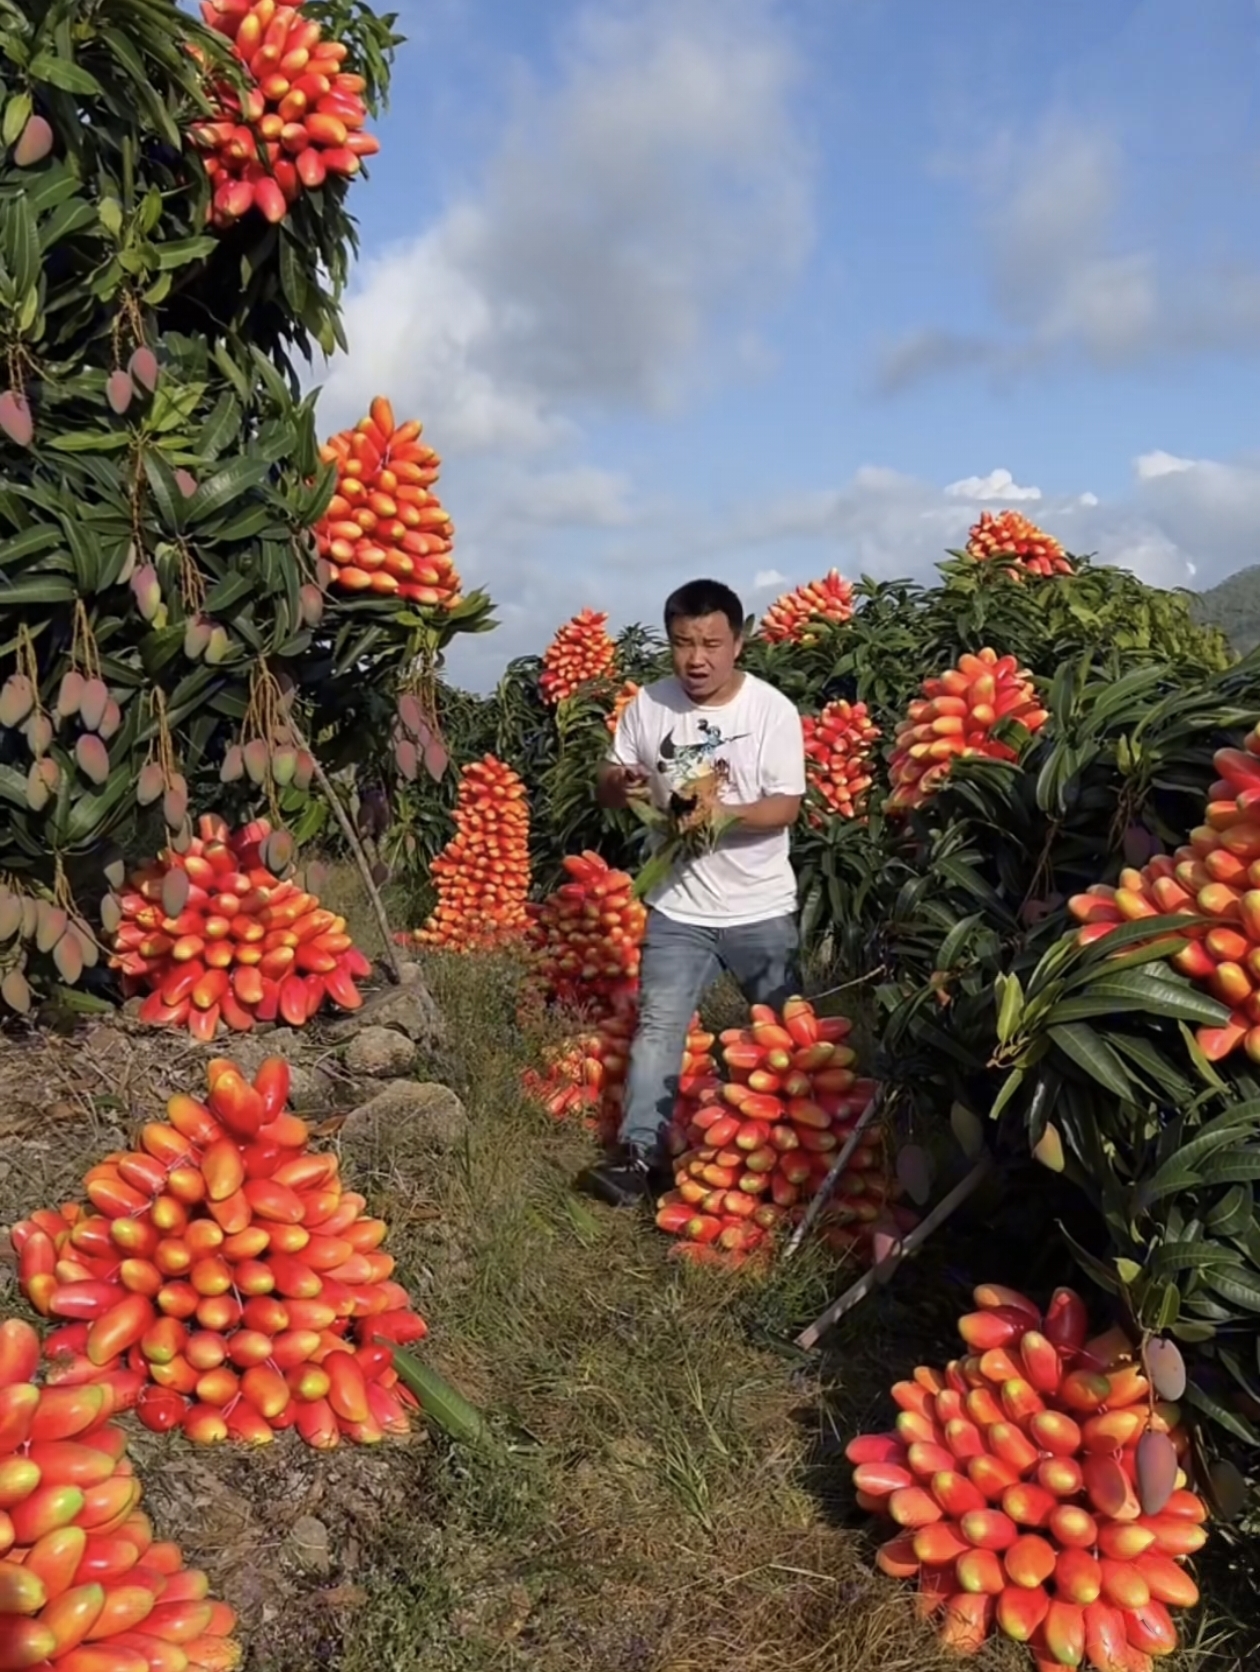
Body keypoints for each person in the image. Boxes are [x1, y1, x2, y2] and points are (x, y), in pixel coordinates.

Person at [580, 578, 806, 1207]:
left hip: (761, 908)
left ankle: (796, 1153)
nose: (696, 658)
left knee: (785, 1036)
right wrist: (618, 781)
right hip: (678, 907)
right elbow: (607, 781)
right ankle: (637, 1156)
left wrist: (724, 816)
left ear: (739, 642)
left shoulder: (771, 711)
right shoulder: (648, 706)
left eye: (710, 643)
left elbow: (785, 806)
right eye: (683, 643)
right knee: (659, 1027)